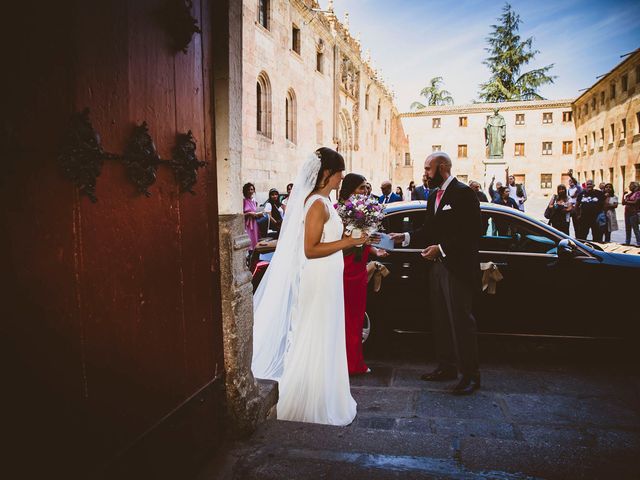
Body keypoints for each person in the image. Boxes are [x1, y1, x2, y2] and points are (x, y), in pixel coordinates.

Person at [252, 148, 366, 426]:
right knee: (315, 332)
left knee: (326, 333)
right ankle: (308, 399)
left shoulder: (326, 202)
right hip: (317, 278)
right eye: (340, 172)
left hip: (328, 277)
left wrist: (352, 235)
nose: (342, 178)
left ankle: (325, 392)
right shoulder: (316, 203)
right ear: (327, 173)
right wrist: (349, 243)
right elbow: (310, 249)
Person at [389, 152, 482, 395]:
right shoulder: (433, 197)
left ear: (442, 168)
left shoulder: (464, 193)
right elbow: (429, 228)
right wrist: (405, 237)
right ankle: (447, 367)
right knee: (441, 320)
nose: (425, 174)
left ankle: (470, 375)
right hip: (437, 268)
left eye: (428, 169)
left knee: (461, 322)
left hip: (458, 268)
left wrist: (441, 248)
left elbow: (472, 232)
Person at [337, 174, 388, 375]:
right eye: (360, 188)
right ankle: (346, 364)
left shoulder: (362, 212)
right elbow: (341, 245)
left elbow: (363, 241)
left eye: (366, 188)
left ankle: (355, 361)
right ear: (349, 189)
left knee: (357, 318)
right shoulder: (340, 212)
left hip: (359, 270)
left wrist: (375, 250)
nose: (365, 192)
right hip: (345, 269)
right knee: (346, 318)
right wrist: (359, 241)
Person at [242, 182, 262, 250]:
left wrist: (258, 214)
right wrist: (249, 214)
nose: (250, 191)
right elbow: (241, 216)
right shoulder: (243, 201)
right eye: (249, 189)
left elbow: (255, 212)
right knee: (248, 242)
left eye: (252, 189)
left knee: (254, 241)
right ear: (245, 191)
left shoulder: (254, 201)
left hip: (254, 224)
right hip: (247, 225)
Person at [622, 181, 640, 246]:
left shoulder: (638, 193)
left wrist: (627, 202)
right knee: (628, 229)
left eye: (630, 185)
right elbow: (623, 203)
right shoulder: (629, 195)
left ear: (635, 186)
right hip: (627, 213)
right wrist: (623, 194)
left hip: (634, 213)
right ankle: (627, 242)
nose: (629, 187)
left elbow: (636, 202)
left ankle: (639, 242)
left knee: (636, 229)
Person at [567, 169, 582, 236]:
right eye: (570, 181)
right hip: (570, 207)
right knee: (569, 222)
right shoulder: (568, 190)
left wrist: (571, 176)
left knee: (577, 224)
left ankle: (578, 237)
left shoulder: (578, 188)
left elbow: (576, 183)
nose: (571, 182)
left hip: (576, 208)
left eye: (572, 181)